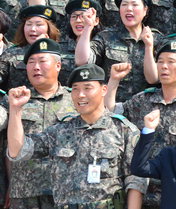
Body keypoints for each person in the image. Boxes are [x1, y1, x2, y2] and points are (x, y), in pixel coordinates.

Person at [5, 64, 146, 208]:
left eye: (87, 88)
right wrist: (15, 110)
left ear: (104, 90)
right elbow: (18, 151)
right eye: (76, 89)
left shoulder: (123, 130)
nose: (81, 95)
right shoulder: (59, 131)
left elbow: (136, 180)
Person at [0, 38, 76, 209]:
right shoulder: (13, 99)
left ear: (58, 65)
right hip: (25, 192)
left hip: (66, 191)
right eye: (31, 62)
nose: (35, 67)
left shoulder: (75, 99)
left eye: (42, 61)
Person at [75, 0, 162, 103]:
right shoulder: (106, 37)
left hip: (147, 107)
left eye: (134, 5)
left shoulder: (157, 38)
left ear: (145, 10)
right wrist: (88, 27)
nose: (129, 9)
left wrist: (149, 46)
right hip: (112, 105)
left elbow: (155, 79)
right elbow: (82, 61)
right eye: (124, 4)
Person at [0, 5, 60, 91]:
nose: (32, 29)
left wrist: (42, 48)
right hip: (18, 101)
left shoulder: (61, 53)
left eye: (39, 25)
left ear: (49, 28)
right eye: (28, 24)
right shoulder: (11, 53)